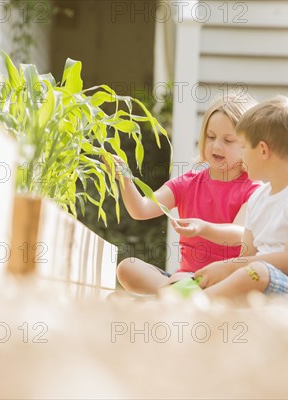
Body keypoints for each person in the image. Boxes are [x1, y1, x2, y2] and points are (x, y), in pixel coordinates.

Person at [108, 92, 261, 295]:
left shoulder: (252, 189)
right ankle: (182, 294)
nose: (216, 145)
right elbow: (141, 209)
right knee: (127, 267)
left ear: (247, 146)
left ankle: (173, 295)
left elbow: (239, 234)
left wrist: (202, 228)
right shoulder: (187, 183)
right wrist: (125, 179)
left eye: (228, 140)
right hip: (185, 277)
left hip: (224, 281)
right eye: (211, 136)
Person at [193, 95, 288, 302]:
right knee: (246, 273)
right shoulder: (257, 198)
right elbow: (247, 256)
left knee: (255, 273)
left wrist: (229, 266)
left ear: (262, 150)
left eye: (242, 147)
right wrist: (224, 272)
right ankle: (198, 294)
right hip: (262, 281)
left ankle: (196, 302)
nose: (240, 155)